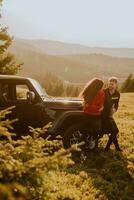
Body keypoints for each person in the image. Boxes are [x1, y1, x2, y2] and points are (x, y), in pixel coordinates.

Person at [79, 78, 105, 150]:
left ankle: (88, 146)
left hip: (91, 115)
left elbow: (99, 105)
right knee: (88, 131)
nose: (102, 88)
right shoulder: (93, 92)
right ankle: (87, 146)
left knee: (91, 131)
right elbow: (98, 106)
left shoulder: (99, 92)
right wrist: (98, 108)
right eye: (101, 86)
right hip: (92, 114)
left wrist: (96, 107)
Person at [101, 77, 122, 151]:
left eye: (112, 84)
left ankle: (108, 147)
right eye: (109, 84)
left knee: (115, 131)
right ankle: (115, 148)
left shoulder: (117, 94)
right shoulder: (104, 92)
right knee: (114, 131)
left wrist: (114, 110)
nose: (110, 85)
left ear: (116, 85)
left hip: (109, 115)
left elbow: (116, 105)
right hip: (102, 115)